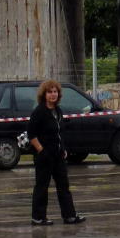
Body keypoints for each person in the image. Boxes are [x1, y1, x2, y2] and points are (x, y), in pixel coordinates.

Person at [27, 79, 86, 226]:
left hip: (58, 155)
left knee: (63, 186)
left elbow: (59, 133)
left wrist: (63, 149)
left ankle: (69, 216)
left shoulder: (58, 111)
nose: (53, 94)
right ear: (44, 94)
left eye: (55, 92)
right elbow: (31, 134)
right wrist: (41, 151)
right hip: (44, 156)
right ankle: (38, 217)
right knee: (42, 187)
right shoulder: (39, 112)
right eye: (49, 92)